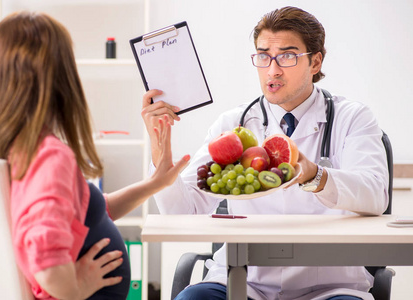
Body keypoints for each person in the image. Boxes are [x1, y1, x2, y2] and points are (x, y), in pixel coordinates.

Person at [141, 6, 389, 300]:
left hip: (329, 286)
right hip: (242, 281)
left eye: (287, 55)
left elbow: (375, 195)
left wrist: (316, 175)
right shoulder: (234, 125)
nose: (272, 70)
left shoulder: (352, 118)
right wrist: (160, 150)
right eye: (263, 56)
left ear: (315, 62)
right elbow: (184, 212)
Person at [0, 11, 189, 300]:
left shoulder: (12, 146)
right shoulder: (49, 158)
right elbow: (48, 264)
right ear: (60, 77)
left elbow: (84, 214)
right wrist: (77, 288)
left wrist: (155, 183)